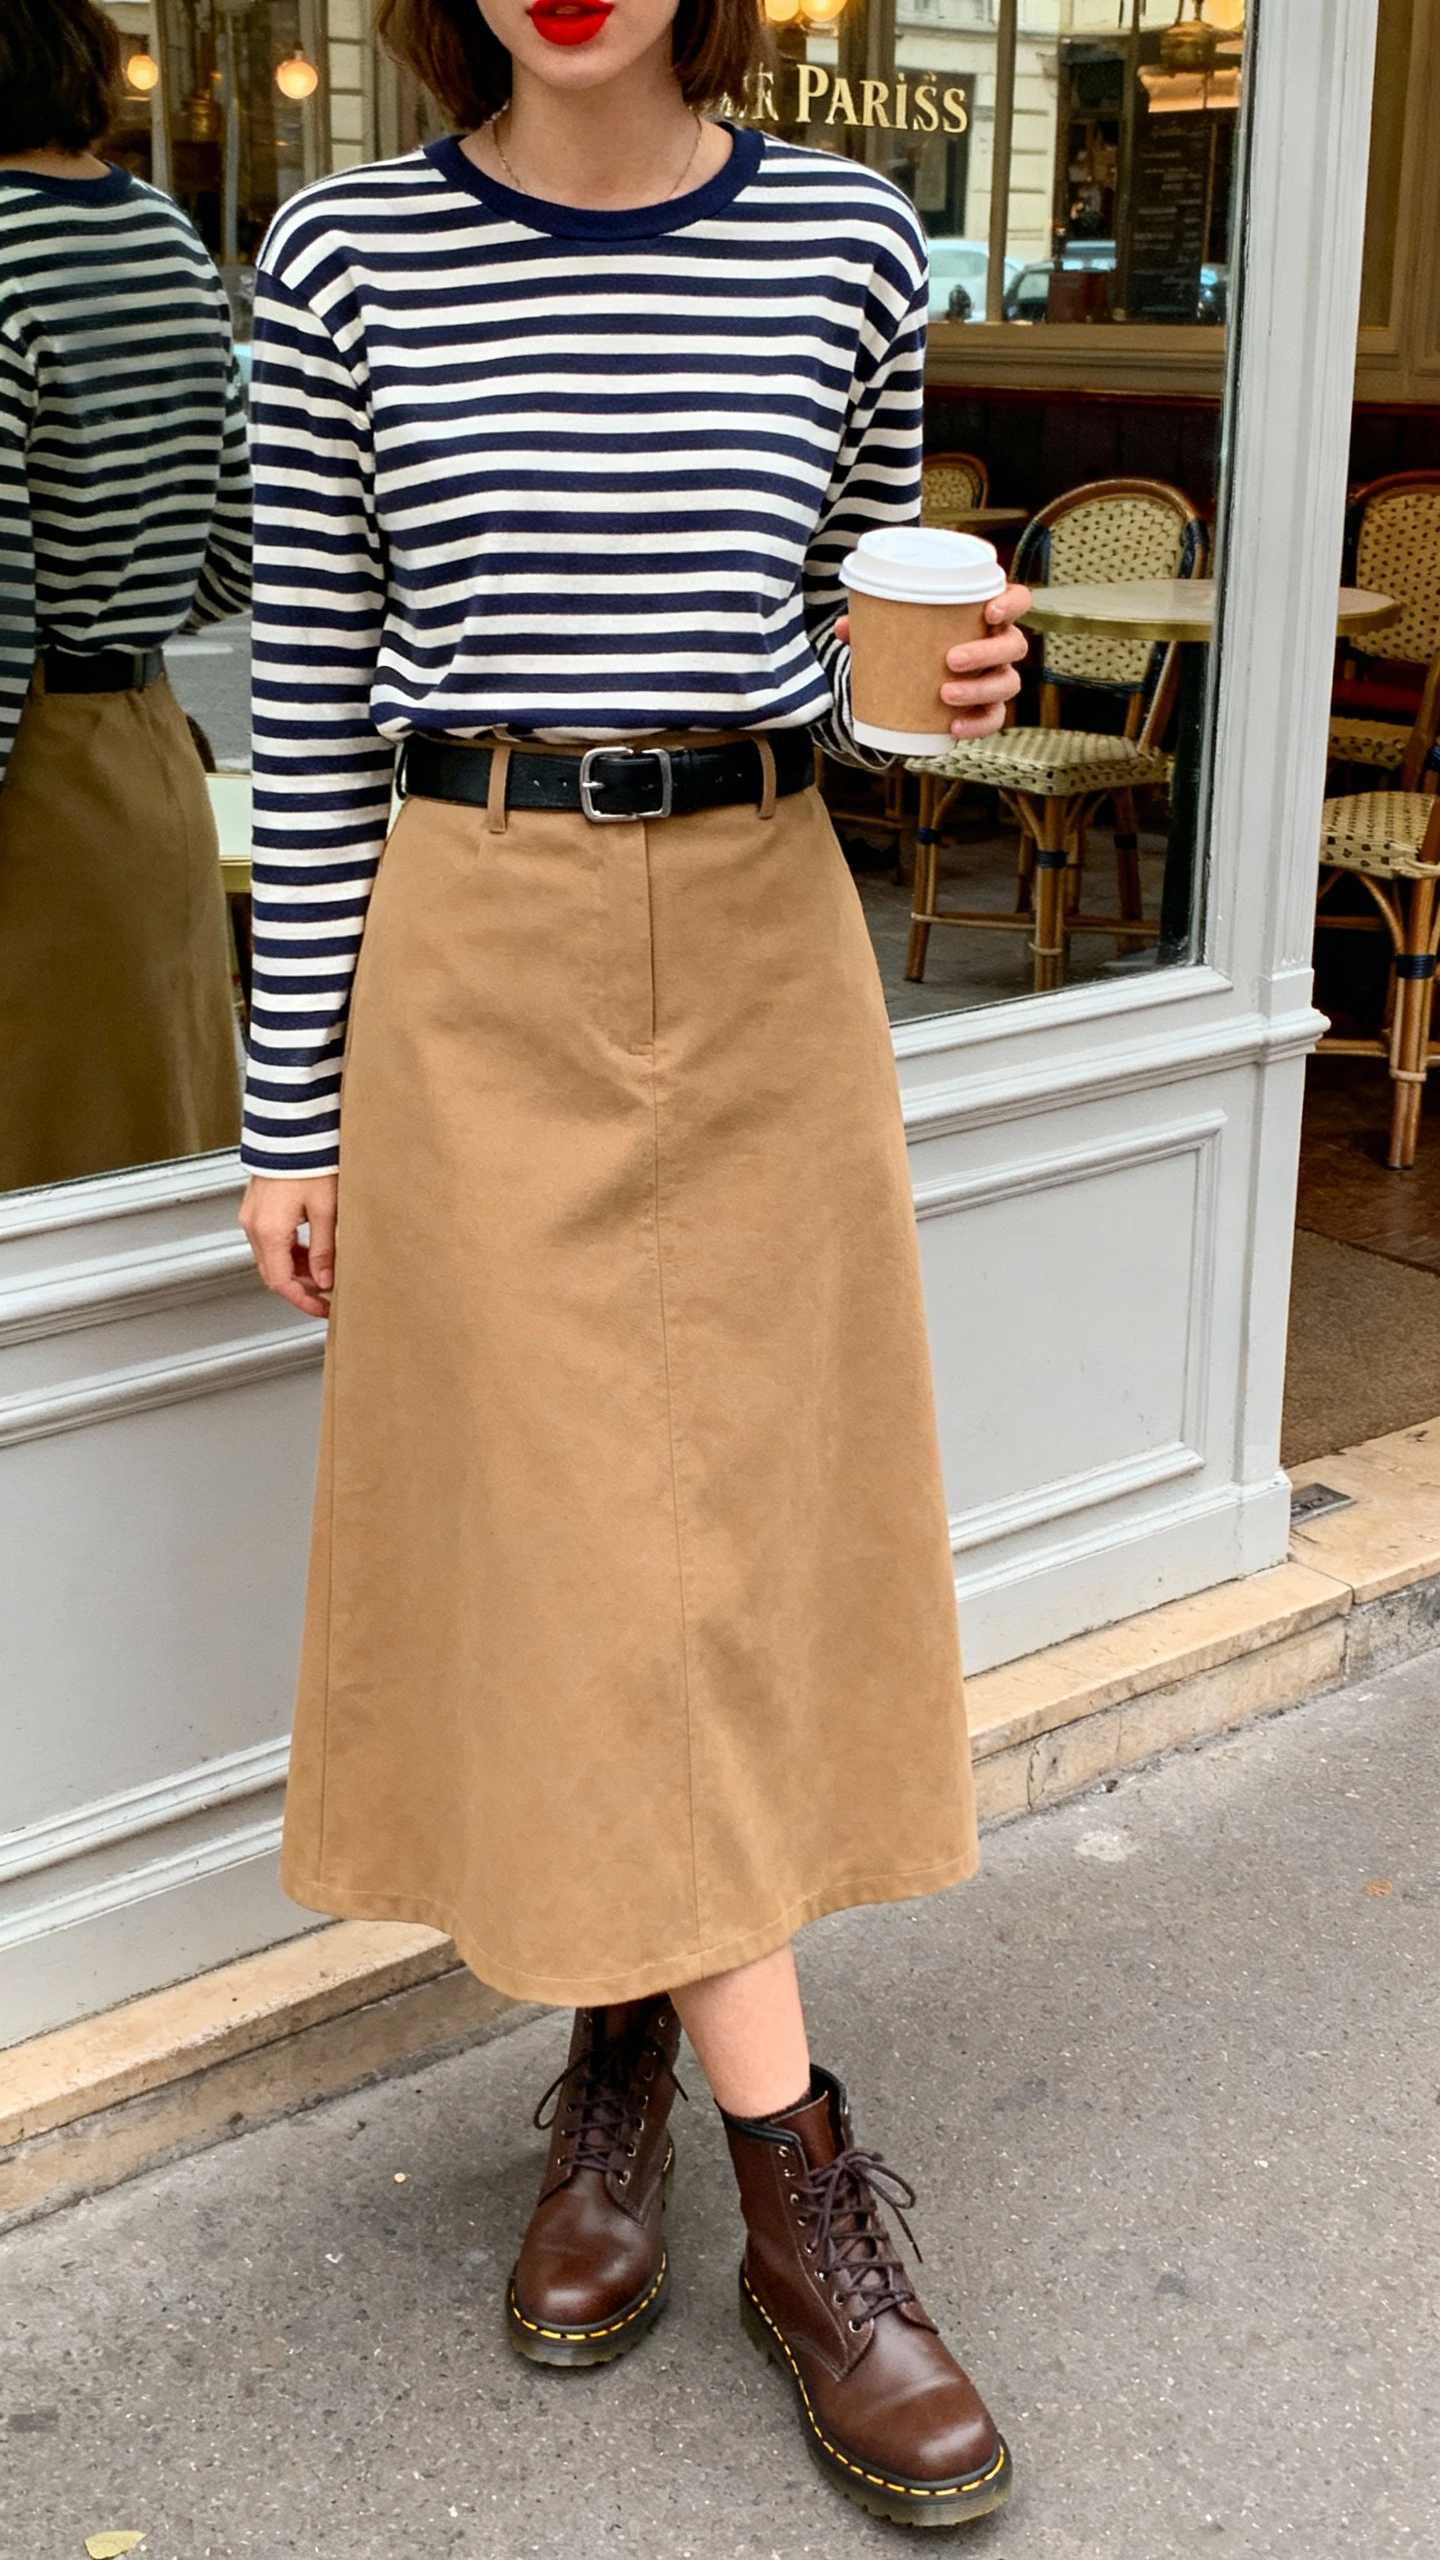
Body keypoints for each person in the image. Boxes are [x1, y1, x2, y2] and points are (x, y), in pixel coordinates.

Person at [239, 0, 1030, 2524]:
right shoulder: (339, 256)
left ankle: (618, 2066)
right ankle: (797, 2181)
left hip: (765, 927)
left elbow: (857, 642)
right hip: (471, 939)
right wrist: (287, 1113)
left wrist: (951, 696)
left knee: (718, 1543)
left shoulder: (848, 239)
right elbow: (314, 690)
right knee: (584, 1534)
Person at [0, 0, 249, 1193]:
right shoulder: (166, 237)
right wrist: (129, 601)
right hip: (152, 757)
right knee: (156, 1149)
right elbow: (238, 546)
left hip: (34, 785)